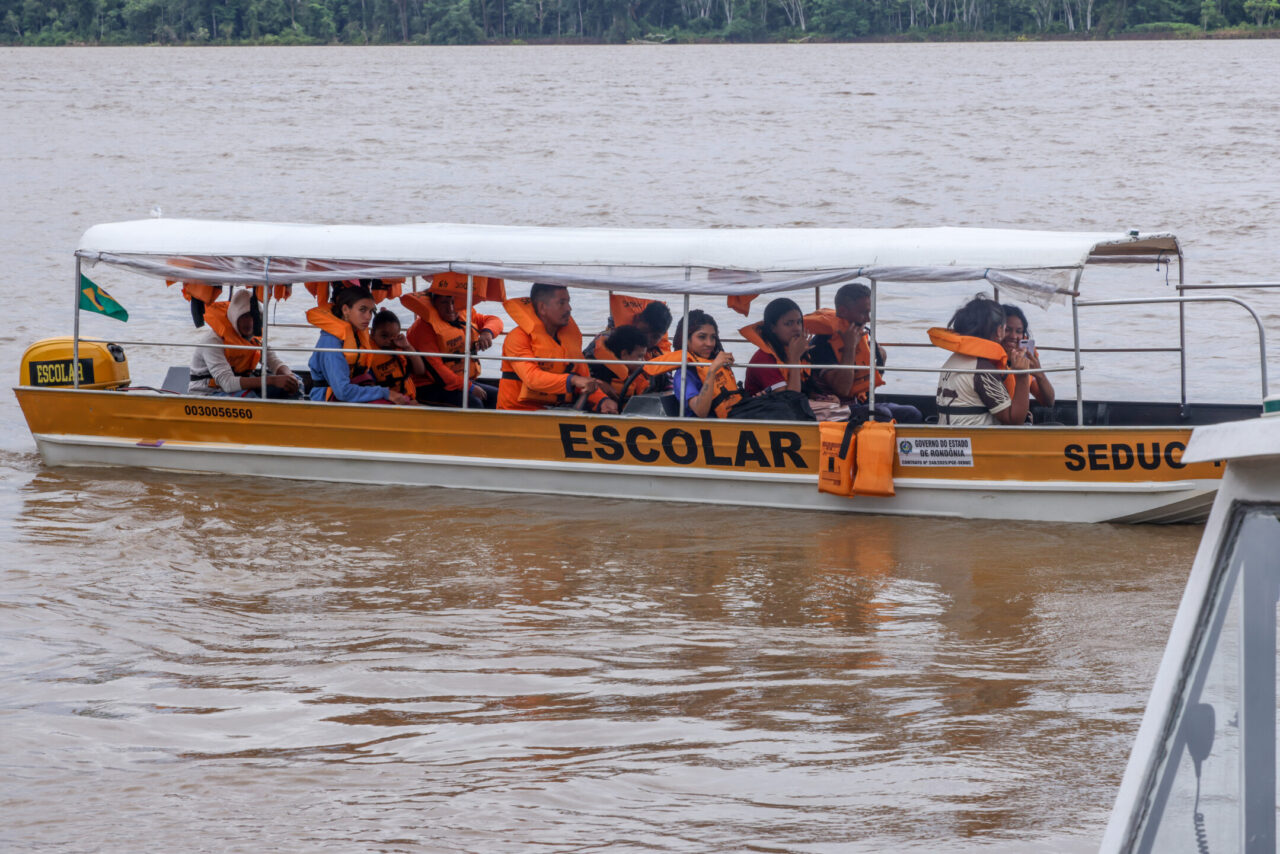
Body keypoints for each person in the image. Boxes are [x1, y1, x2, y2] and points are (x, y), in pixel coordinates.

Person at [806, 283, 922, 423]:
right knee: (883, 414)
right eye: (863, 313)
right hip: (837, 410)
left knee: (912, 413)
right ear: (843, 311)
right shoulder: (822, 344)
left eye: (869, 313)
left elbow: (868, 387)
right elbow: (842, 389)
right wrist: (850, 347)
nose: (867, 319)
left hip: (858, 403)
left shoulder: (862, 336)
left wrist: (880, 358)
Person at [497, 284, 617, 414]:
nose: (569, 308)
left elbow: (584, 380)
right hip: (518, 412)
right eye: (561, 303)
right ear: (542, 308)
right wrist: (573, 380)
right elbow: (532, 378)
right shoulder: (517, 338)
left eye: (568, 302)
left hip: (556, 411)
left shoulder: (569, 339)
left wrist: (602, 400)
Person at [929, 294, 1031, 426]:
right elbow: (1014, 420)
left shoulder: (953, 360)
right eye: (1005, 328)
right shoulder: (982, 370)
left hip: (952, 435)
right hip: (974, 438)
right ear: (999, 331)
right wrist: (1023, 376)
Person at [306, 284, 415, 405]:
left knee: (406, 403)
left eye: (371, 311)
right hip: (327, 400)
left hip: (353, 390)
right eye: (362, 310)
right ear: (345, 310)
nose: (368, 317)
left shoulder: (357, 334)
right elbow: (343, 392)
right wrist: (385, 393)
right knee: (395, 405)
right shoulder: (331, 342)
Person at [188, 288, 300, 398]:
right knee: (249, 398)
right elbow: (227, 384)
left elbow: (274, 362)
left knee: (296, 382)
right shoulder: (213, 341)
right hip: (208, 393)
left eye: (253, 316)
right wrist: (272, 380)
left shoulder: (255, 339)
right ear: (234, 316)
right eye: (244, 316)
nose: (249, 322)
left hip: (239, 390)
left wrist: (289, 376)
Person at [401, 286, 503, 408]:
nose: (451, 308)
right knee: (474, 404)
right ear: (434, 304)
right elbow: (437, 370)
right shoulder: (422, 329)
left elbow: (494, 320)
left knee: (497, 397)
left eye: (454, 302)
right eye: (444, 302)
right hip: (429, 386)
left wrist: (487, 332)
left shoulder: (464, 314)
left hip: (459, 381)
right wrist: (469, 387)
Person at [643, 310, 742, 418]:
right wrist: (712, 370)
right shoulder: (683, 375)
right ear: (685, 339)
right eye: (702, 337)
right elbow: (701, 411)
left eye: (713, 337)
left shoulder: (714, 364)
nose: (709, 343)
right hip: (704, 426)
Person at [742, 297, 811, 397]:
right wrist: (795, 359)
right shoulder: (763, 359)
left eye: (799, 322)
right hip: (766, 406)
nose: (797, 328)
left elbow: (806, 388)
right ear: (773, 328)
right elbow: (790, 399)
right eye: (789, 323)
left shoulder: (797, 350)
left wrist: (822, 397)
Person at [1001, 304, 1056, 408]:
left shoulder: (1027, 357)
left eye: (1019, 331)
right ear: (997, 331)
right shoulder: (989, 360)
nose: (1013, 336)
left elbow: (1048, 402)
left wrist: (1039, 374)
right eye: (1007, 329)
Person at [368, 308, 425, 401]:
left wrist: (407, 346)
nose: (388, 341)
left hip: (409, 399)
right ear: (372, 334)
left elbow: (420, 371)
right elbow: (371, 388)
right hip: (390, 402)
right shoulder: (368, 355)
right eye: (384, 336)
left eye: (393, 337)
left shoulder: (400, 349)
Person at [589, 324, 651, 399]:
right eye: (640, 356)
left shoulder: (629, 372)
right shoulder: (602, 375)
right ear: (624, 354)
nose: (643, 361)